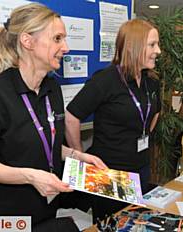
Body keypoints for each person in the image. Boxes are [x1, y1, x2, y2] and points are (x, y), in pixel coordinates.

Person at [0, 3, 106, 230]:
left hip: (45, 211)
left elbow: (44, 143)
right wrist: (30, 177)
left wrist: (77, 155)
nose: (66, 47)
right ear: (27, 41)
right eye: (57, 38)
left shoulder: (52, 88)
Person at [65, 19, 162, 220]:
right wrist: (79, 156)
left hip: (141, 166)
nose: (158, 51)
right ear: (134, 46)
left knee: (137, 222)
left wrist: (142, 135)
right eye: (152, 45)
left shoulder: (151, 81)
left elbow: (155, 113)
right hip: (109, 171)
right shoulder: (105, 80)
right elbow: (71, 116)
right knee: (111, 223)